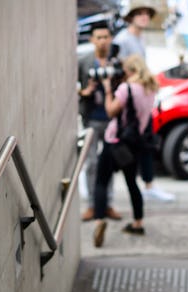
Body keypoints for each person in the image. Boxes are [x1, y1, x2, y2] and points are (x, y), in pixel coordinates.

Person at [92, 54, 158, 247]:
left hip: (115, 142)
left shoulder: (126, 88)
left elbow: (111, 111)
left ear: (131, 71)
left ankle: (99, 220)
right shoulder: (150, 89)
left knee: (101, 181)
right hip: (134, 144)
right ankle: (138, 222)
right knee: (131, 182)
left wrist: (107, 90)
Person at [114, 4, 176, 202]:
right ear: (131, 17)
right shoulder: (123, 39)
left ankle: (148, 185)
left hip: (142, 97)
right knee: (129, 143)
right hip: (131, 99)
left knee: (145, 142)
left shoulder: (140, 37)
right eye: (139, 14)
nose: (143, 18)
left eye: (146, 14)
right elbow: (121, 68)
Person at [77, 22, 123, 223]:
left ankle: (107, 203)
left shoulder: (116, 62)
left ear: (111, 38)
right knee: (91, 163)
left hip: (112, 119)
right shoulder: (84, 61)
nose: (103, 40)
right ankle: (92, 205)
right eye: (99, 37)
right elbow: (72, 84)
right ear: (92, 40)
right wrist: (83, 91)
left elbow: (125, 88)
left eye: (106, 36)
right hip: (92, 117)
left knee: (108, 163)